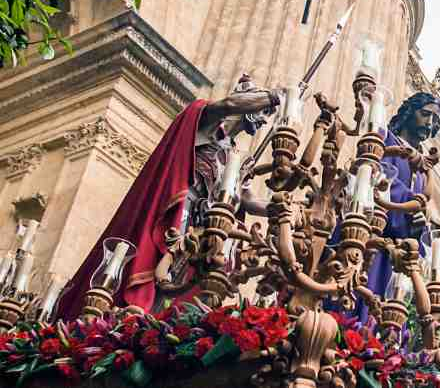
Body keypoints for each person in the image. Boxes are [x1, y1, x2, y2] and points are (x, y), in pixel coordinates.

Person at [58, 75, 279, 318]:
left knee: (183, 285)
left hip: (201, 230)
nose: (265, 120)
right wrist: (277, 98)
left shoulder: (235, 158)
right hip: (177, 212)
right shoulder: (205, 121)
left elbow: (249, 201)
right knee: (157, 269)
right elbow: (229, 106)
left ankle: (160, 320)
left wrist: (282, 209)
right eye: (263, 111)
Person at [366, 92, 440, 302]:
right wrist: (414, 208)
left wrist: (421, 227)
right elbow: (378, 176)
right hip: (372, 241)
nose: (429, 123)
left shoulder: (422, 170)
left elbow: (420, 212)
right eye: (425, 114)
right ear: (409, 112)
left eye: (435, 120)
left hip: (398, 259)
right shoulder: (384, 139)